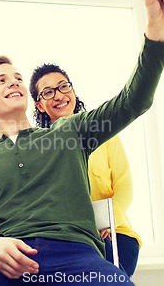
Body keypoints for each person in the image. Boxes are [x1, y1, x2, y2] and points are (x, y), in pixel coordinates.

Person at [0, 0, 164, 286]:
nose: (13, 82)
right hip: (9, 261)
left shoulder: (69, 132)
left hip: (79, 259)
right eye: (1, 80)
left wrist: (156, 25)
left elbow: (133, 101)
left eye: (17, 78)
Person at [29, 63, 142, 276]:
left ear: (73, 91)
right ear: (40, 105)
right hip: (70, 239)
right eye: (48, 92)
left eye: (63, 86)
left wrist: (109, 222)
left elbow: (124, 186)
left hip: (115, 234)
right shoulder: (38, 147)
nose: (59, 95)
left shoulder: (107, 134)